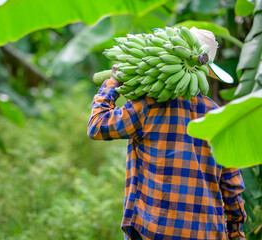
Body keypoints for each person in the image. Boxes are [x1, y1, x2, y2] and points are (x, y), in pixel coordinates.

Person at [87, 28, 247, 240]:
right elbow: (231, 184)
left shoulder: (146, 107)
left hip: (154, 231)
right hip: (208, 232)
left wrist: (112, 84)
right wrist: (236, 232)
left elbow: (98, 126)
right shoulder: (218, 116)